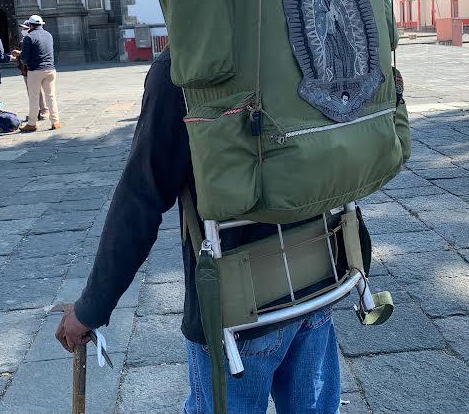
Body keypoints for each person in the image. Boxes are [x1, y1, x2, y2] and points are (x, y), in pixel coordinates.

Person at [55, 49, 340, 413]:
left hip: (237, 309)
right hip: (317, 276)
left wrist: (90, 309)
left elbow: (140, 200)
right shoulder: (297, 34)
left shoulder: (183, 65)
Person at [15, 15, 60, 132]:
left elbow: (24, 59)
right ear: (42, 25)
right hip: (50, 69)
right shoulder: (49, 35)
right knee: (51, 96)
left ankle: (32, 123)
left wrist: (19, 54)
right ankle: (55, 122)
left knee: (34, 97)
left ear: (30, 25)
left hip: (35, 70)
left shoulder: (28, 37)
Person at [15, 22, 48, 122]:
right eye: (22, 28)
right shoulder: (23, 40)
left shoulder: (31, 38)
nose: (23, 30)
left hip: (33, 69)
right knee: (31, 92)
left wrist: (19, 54)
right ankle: (35, 112)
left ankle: (44, 111)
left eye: (25, 28)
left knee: (38, 91)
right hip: (25, 69)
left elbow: (31, 53)